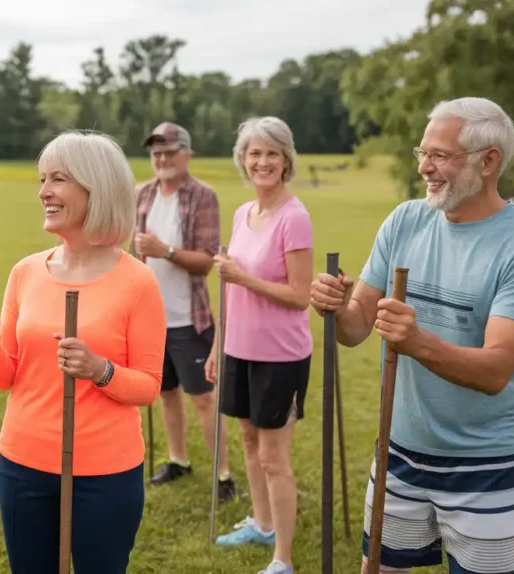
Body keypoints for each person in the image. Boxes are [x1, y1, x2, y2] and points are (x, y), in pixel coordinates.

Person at [311, 97, 514, 574]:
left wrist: (416, 341)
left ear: (489, 162)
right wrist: (340, 306)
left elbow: (494, 371)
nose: (425, 166)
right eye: (421, 152)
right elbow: (357, 325)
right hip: (399, 451)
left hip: (485, 466)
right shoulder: (405, 220)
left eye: (440, 155)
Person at [0, 130, 167, 573]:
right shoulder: (25, 272)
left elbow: (149, 387)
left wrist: (100, 370)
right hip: (23, 462)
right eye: (42, 179)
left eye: (58, 179)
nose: (44, 192)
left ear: (96, 187)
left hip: (105, 473)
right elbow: (6, 375)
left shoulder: (137, 282)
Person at [207, 116, 314, 574]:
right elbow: (229, 290)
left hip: (281, 356)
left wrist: (243, 277)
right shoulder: (242, 214)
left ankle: (282, 559)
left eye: (272, 153)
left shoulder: (295, 217)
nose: (262, 161)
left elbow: (300, 294)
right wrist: (217, 346)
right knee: (249, 441)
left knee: (273, 456)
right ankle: (263, 524)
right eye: (254, 153)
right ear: (243, 160)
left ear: (286, 159)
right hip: (240, 349)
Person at [131, 121, 237, 502]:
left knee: (204, 397)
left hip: (188, 318)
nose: (161, 159)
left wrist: (167, 252)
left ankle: (223, 474)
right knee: (166, 392)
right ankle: (178, 459)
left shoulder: (202, 196)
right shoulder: (141, 194)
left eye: (169, 151)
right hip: (149, 318)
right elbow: (132, 253)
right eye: (156, 152)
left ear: (186, 154)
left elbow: (207, 261)